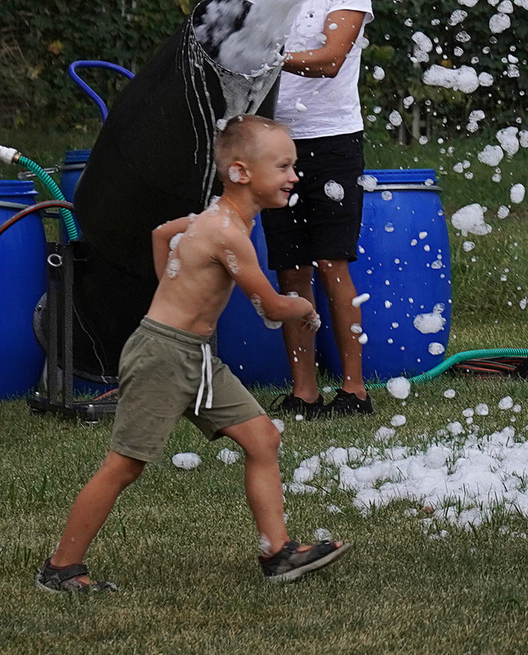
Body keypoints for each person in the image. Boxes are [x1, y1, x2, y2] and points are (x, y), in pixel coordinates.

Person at [38, 117, 348, 594]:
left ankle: (277, 552)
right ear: (242, 173)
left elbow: (163, 233)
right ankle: (60, 568)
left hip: (194, 355)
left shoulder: (218, 219)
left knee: (262, 438)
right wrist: (304, 307)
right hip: (163, 355)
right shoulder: (228, 233)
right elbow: (269, 305)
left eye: (294, 166)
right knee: (125, 465)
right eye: (284, 166)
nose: (294, 176)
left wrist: (171, 290)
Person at [267, 0, 376, 419]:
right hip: (272, 143)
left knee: (332, 262)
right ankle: (304, 393)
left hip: (333, 142)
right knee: (291, 270)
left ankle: (354, 392)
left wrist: (268, 58)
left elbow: (331, 59)